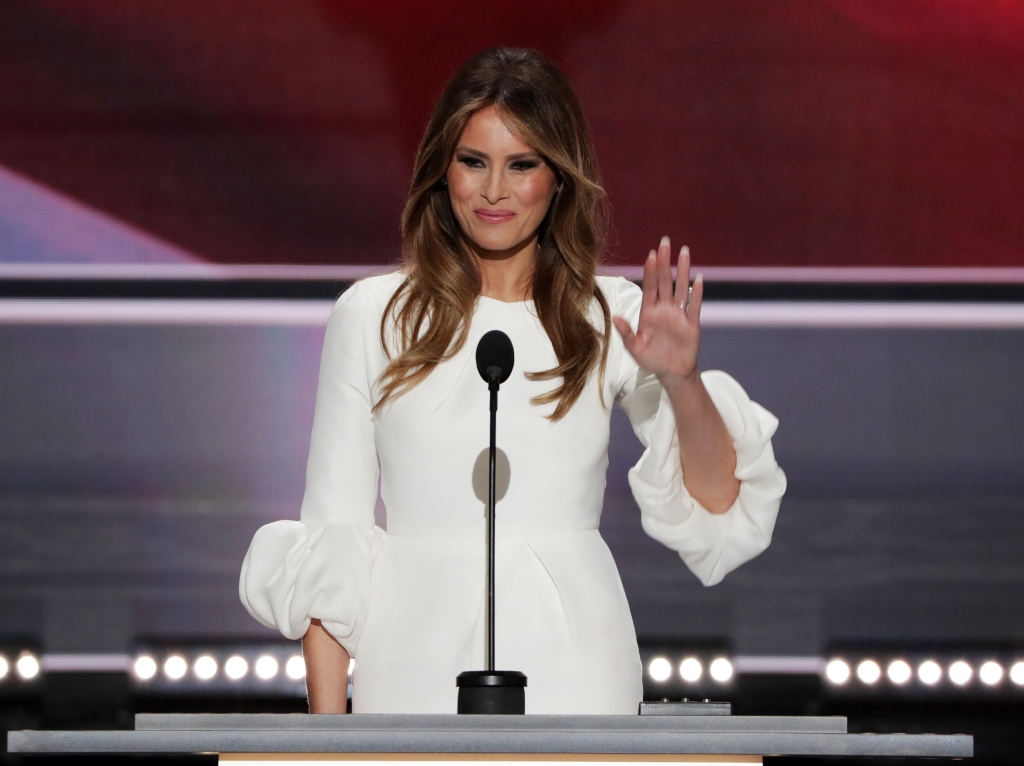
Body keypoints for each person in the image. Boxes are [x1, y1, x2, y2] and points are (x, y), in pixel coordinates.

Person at [239, 47, 786, 715]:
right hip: (410, 656)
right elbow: (335, 533)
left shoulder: (609, 313)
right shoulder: (372, 315)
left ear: (558, 179)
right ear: (444, 171)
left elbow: (720, 502)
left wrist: (682, 381)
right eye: (474, 162)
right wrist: (327, 746)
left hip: (576, 657)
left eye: (521, 164)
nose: (494, 190)